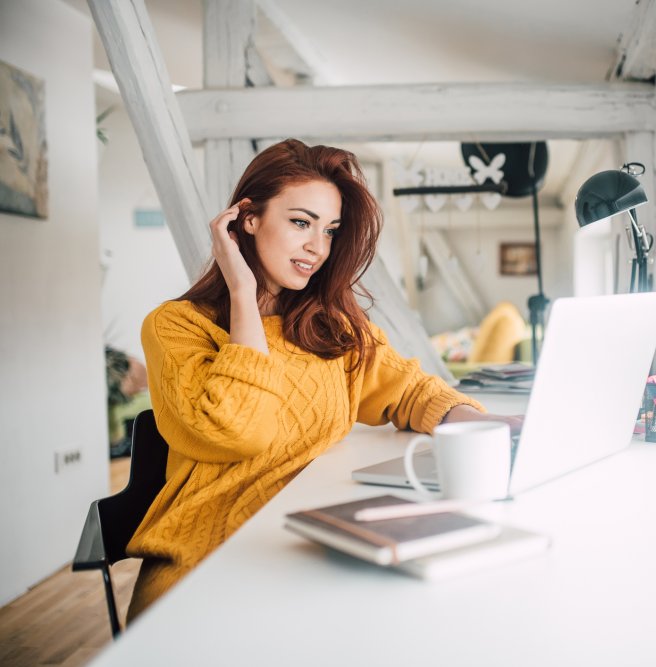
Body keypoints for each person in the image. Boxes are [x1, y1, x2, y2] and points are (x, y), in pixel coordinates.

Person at [127, 139, 521, 622]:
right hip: (210, 576)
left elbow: (411, 390)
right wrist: (243, 294)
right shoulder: (176, 327)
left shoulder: (330, 324)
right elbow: (237, 431)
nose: (318, 247)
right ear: (246, 220)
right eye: (300, 223)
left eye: (330, 230)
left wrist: (493, 426)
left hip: (306, 554)